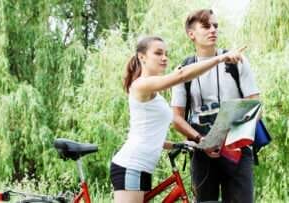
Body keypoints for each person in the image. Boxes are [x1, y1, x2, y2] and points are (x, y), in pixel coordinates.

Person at [109, 36, 246, 203]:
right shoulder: (140, 85)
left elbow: (148, 135)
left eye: (166, 54)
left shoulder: (154, 93)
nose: (164, 57)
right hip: (131, 166)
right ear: (141, 57)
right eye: (158, 53)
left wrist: (180, 144)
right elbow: (181, 76)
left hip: (141, 168)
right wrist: (220, 58)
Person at [171, 9, 261, 202]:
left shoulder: (237, 60)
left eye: (216, 26)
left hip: (237, 150)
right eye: (206, 26)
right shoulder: (182, 70)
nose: (213, 30)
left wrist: (231, 138)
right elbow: (176, 118)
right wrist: (202, 141)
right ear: (191, 34)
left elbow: (256, 103)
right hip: (201, 151)